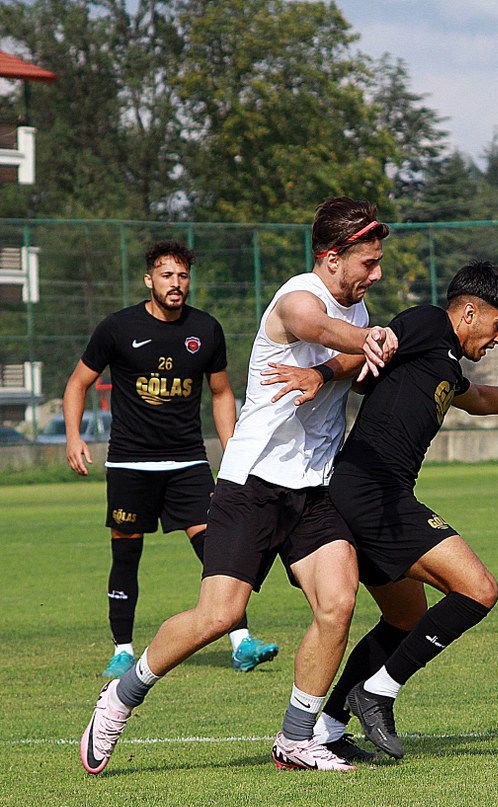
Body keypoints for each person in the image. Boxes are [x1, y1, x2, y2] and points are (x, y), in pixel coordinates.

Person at [80, 197, 401, 775]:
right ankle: (122, 696)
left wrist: (332, 367)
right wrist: (370, 341)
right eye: (367, 263)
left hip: (313, 489)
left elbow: (346, 361)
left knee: (338, 603)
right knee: (219, 617)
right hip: (252, 483)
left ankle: (296, 738)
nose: (375, 273)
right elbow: (316, 327)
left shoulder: (359, 312)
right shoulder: (299, 296)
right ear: (332, 258)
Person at [266, 260, 498, 760]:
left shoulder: (442, 359)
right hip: (373, 493)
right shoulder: (425, 323)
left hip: (372, 494)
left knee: (404, 618)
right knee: (478, 590)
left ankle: (329, 726)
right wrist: (321, 371)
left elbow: (477, 398)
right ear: (467, 311)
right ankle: (378, 692)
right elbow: (370, 348)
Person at [61, 240, 278, 678]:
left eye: (182, 276)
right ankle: (123, 651)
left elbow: (221, 393)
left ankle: (241, 642)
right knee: (126, 557)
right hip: (130, 465)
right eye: (167, 276)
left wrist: (234, 451)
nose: (175, 284)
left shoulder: (206, 329)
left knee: (217, 550)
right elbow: (77, 383)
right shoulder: (118, 328)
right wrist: (73, 436)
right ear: (149, 280)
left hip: (187, 464)